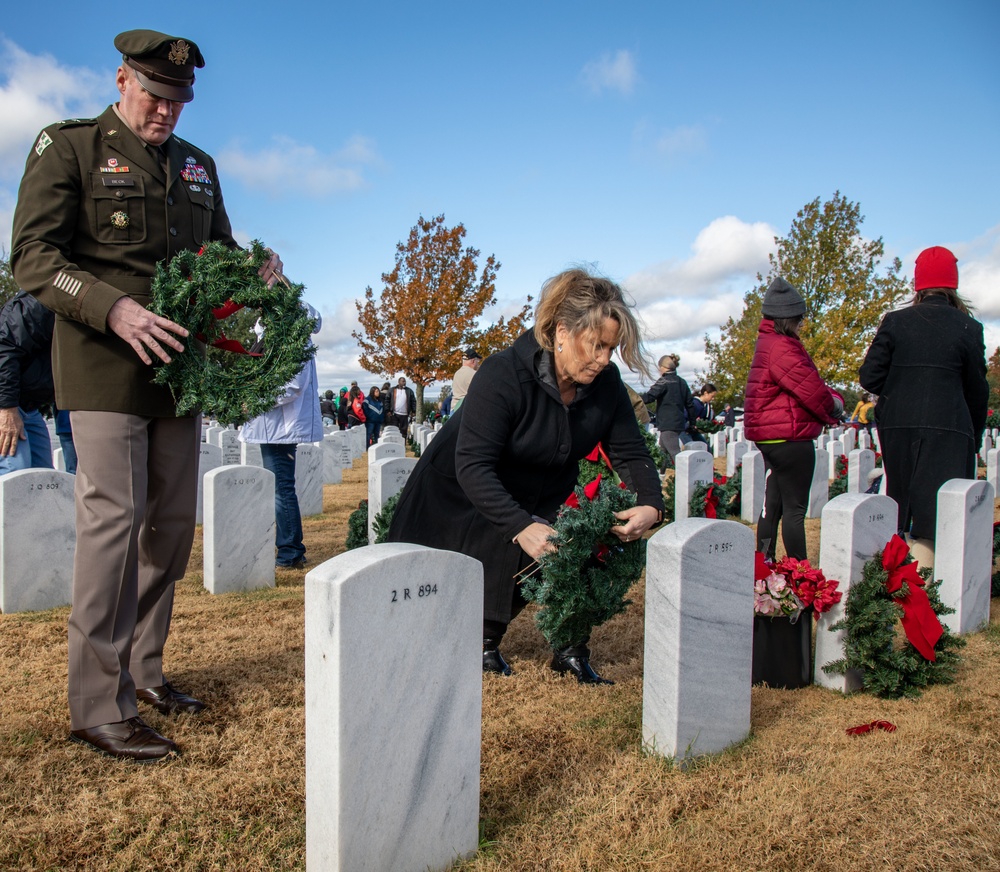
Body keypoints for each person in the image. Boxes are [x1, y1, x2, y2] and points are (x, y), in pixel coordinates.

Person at [10, 29, 284, 762]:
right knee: (113, 524)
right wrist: (114, 309)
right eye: (156, 97)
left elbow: (215, 251)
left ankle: (144, 668)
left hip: (178, 368)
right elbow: (33, 256)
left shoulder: (198, 167)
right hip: (103, 360)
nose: (166, 113)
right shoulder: (67, 147)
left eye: (179, 102)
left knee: (171, 524)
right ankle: (98, 704)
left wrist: (254, 267)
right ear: (123, 79)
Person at [388, 268, 664, 684]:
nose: (605, 359)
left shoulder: (605, 384)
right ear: (562, 332)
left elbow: (630, 451)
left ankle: (569, 648)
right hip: (458, 492)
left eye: (611, 348)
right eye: (596, 345)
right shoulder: (504, 374)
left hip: (537, 487)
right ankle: (481, 643)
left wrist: (650, 504)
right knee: (491, 555)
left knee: (570, 539)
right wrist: (519, 525)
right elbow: (474, 465)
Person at [859, 246, 988, 571]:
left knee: (899, 503)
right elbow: (977, 390)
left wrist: (903, 392)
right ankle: (924, 582)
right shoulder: (968, 327)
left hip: (899, 425)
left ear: (918, 285)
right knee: (937, 512)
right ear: (952, 285)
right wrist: (972, 435)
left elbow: (870, 377)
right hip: (949, 428)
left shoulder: (895, 321)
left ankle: (895, 574)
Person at [744, 278, 842, 562]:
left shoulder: (767, 343)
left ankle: (765, 570)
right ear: (787, 318)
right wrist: (834, 408)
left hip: (772, 438)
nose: (801, 324)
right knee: (794, 511)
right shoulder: (783, 347)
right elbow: (811, 390)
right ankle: (801, 578)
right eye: (799, 319)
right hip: (791, 438)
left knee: (771, 507)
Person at [240, 307, 322, 570]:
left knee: (281, 488)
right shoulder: (276, 332)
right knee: (281, 486)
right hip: (273, 425)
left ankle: (290, 552)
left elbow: (292, 385)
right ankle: (291, 548)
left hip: (280, 426)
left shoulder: (291, 335)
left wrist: (253, 401)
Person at [0, 290, 58, 474]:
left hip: (29, 408)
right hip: (8, 405)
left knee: (45, 477)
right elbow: (5, 349)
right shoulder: (39, 302)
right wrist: (7, 408)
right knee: (15, 473)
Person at [641, 353, 697, 470]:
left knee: (675, 453)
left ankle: (688, 477)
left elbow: (650, 397)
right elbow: (690, 405)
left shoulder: (664, 381)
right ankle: (660, 477)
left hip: (667, 424)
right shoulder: (682, 382)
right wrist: (692, 423)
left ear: (662, 367)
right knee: (662, 453)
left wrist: (633, 400)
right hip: (678, 423)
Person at [451, 347, 481, 412]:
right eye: (477, 361)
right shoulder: (474, 374)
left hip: (454, 409)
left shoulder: (457, 374)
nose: (478, 364)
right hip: (467, 410)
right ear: (473, 361)